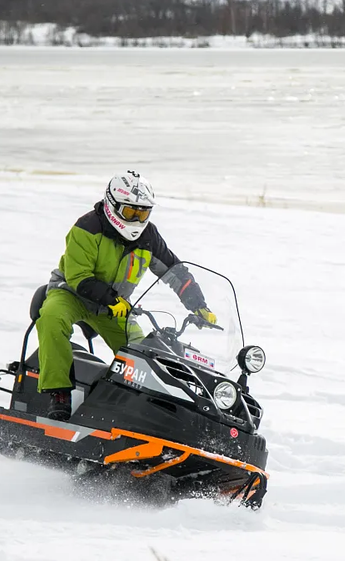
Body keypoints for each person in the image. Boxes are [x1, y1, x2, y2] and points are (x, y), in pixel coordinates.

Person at [36, 170, 215, 420]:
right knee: (51, 318)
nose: (137, 219)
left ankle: (144, 410)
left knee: (143, 351)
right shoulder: (87, 228)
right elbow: (79, 277)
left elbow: (175, 272)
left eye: (143, 213)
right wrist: (111, 300)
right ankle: (59, 393)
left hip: (115, 306)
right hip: (72, 294)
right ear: (113, 205)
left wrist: (198, 305)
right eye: (131, 212)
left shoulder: (149, 237)